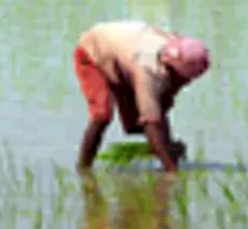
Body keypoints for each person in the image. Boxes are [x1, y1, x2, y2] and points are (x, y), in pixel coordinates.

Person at [73, 20, 210, 173]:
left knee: (136, 124)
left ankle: (163, 150)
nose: (185, 83)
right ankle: (83, 169)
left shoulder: (175, 51)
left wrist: (168, 143)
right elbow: (151, 122)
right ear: (172, 69)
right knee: (102, 115)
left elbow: (160, 111)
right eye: (183, 78)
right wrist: (171, 171)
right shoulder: (148, 71)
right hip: (93, 52)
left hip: (124, 56)